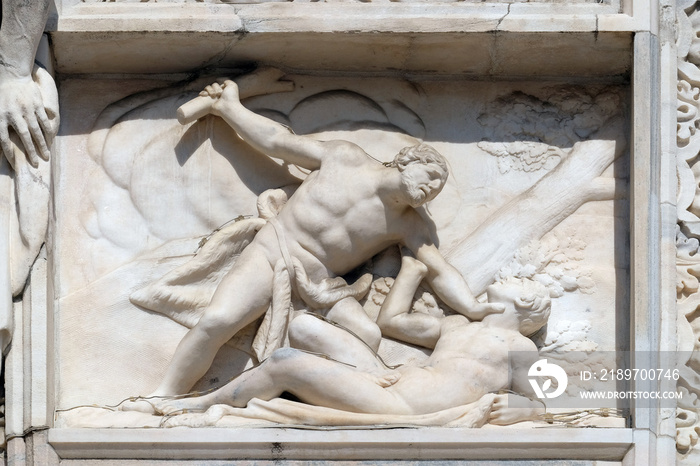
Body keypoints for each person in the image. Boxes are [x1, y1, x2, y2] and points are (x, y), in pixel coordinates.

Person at [125, 76, 504, 409]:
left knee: (367, 333)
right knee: (218, 320)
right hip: (275, 251)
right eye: (431, 175)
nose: (431, 188)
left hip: (321, 281)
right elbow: (277, 141)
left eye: (437, 188)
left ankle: (328, 396)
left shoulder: (410, 224)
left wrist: (472, 307)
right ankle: (163, 396)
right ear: (407, 160)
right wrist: (230, 108)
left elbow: (439, 270)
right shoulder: (344, 158)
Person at [154, 254, 547, 424]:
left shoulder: (519, 346)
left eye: (517, 281)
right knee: (304, 326)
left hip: (404, 405)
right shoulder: (458, 325)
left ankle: (196, 405)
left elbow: (553, 402)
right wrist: (410, 272)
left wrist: (527, 411)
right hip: (389, 379)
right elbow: (392, 322)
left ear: (527, 301)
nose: (507, 277)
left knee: (284, 361)